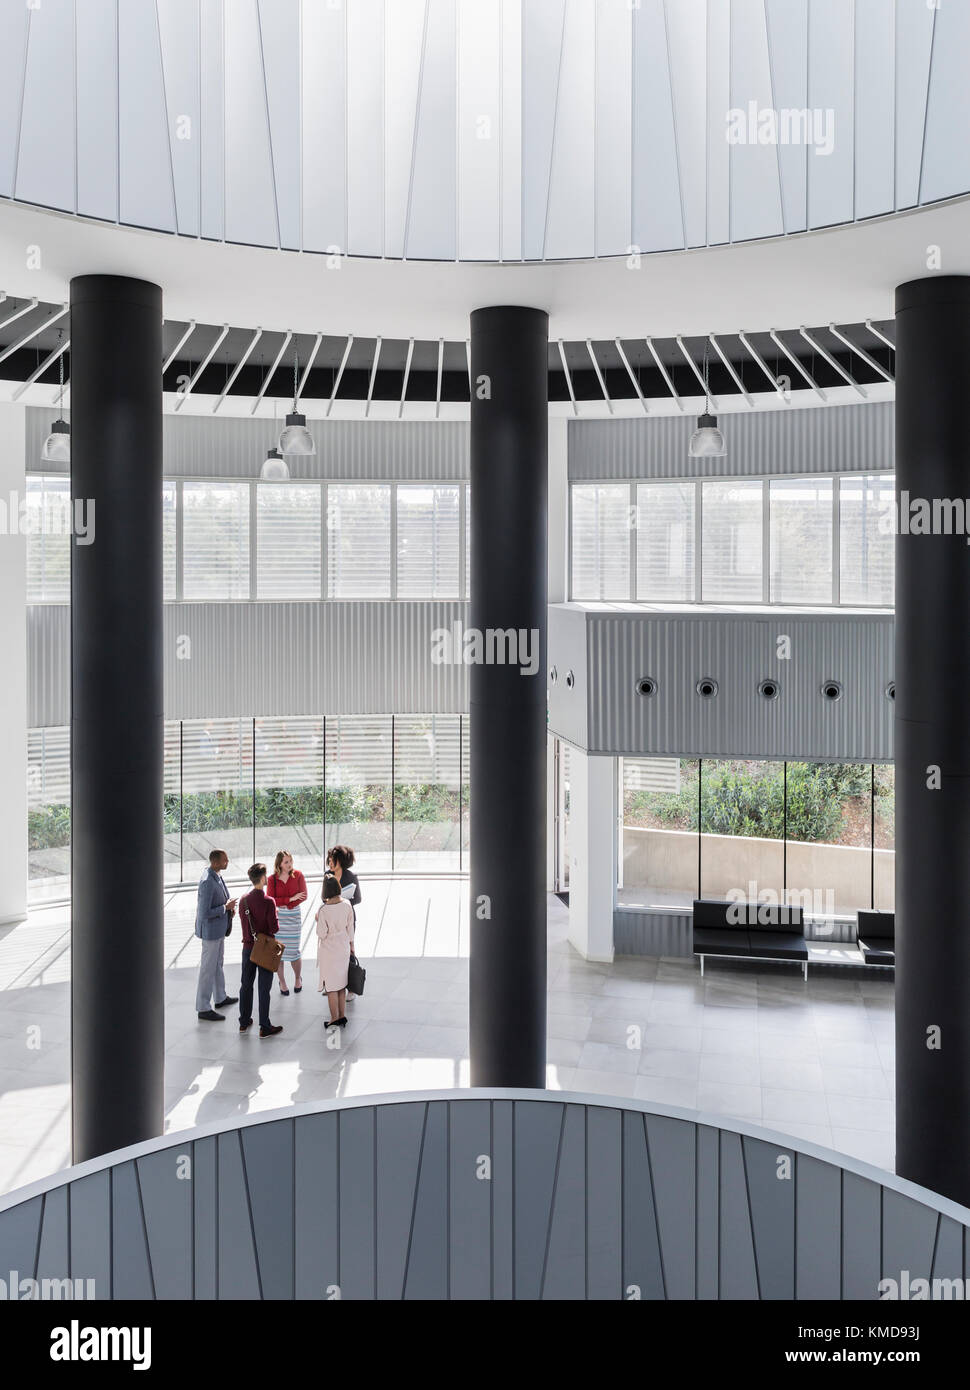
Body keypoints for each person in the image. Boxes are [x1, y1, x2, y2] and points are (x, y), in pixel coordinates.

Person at [238, 863, 283, 1039]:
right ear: (263, 878)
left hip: (248, 948)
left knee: (246, 985)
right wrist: (275, 913)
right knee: (264, 989)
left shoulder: (244, 900)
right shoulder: (269, 902)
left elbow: (244, 927)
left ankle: (243, 1022)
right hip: (264, 949)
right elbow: (274, 928)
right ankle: (264, 1026)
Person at [194, 849, 238, 1021]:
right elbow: (204, 913)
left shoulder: (216, 875)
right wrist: (224, 909)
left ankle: (220, 997)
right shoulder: (207, 882)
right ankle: (203, 1007)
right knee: (207, 969)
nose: (227, 862)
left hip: (219, 929)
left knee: (218, 964)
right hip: (211, 932)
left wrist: (228, 910)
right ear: (216, 862)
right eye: (225, 860)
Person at [315, 874, 355, 1029]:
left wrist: (318, 919)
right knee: (342, 984)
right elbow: (350, 928)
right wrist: (352, 945)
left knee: (331, 986)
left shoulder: (323, 910)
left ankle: (333, 1018)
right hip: (343, 948)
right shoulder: (346, 904)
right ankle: (342, 1016)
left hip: (329, 951)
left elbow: (321, 933)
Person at [266, 850, 307, 995]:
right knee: (279, 952)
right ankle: (282, 982)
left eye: (290, 861)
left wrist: (287, 904)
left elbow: (303, 896)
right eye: (286, 862)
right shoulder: (272, 879)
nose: (290, 864)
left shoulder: (299, 875)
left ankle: (297, 978)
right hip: (279, 918)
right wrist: (290, 899)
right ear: (279, 864)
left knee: (294, 951)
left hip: (294, 916)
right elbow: (270, 900)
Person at [326, 845, 361, 997]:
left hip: (347, 918)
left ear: (340, 860)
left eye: (333, 860)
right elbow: (323, 897)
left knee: (348, 950)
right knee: (333, 952)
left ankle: (351, 988)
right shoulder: (327, 875)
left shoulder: (351, 876)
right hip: (332, 918)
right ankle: (334, 985)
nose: (330, 862)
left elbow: (358, 898)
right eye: (329, 860)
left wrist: (343, 900)